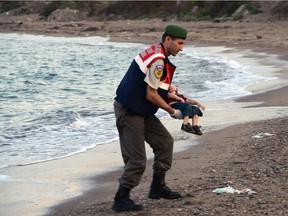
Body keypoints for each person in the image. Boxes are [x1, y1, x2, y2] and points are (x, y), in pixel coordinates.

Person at [112, 24, 188, 212]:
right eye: (179, 43)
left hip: (142, 110)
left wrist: (176, 97)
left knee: (165, 142)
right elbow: (151, 95)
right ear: (168, 40)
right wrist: (173, 112)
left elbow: (156, 88)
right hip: (129, 111)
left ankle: (157, 187)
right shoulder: (159, 61)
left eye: (183, 44)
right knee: (137, 159)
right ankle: (121, 198)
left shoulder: (156, 52)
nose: (181, 48)